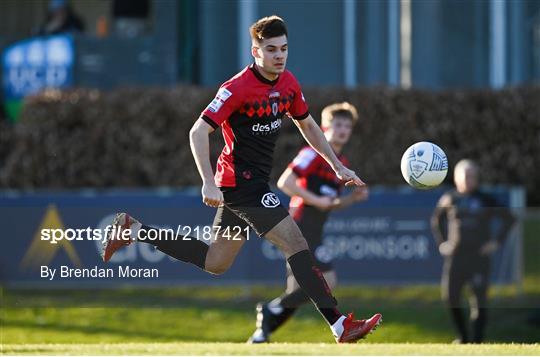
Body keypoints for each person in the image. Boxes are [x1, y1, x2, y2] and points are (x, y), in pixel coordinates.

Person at [102, 15, 381, 343]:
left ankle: (133, 229)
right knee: (296, 243)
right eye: (271, 49)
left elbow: (307, 125)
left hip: (247, 185)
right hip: (242, 185)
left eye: (284, 49)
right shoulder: (236, 88)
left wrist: (335, 165)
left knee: (215, 262)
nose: (279, 55)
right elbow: (198, 130)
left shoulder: (288, 83)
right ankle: (339, 325)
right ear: (255, 51)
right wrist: (207, 180)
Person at [247, 102, 369, 343]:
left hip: (315, 229)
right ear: (324, 127)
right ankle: (270, 311)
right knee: (327, 280)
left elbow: (328, 203)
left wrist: (351, 200)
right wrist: (317, 200)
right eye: (338, 124)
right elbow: (285, 182)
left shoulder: (339, 161)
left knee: (298, 291)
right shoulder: (312, 153)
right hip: (300, 227)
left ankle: (261, 334)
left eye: (347, 125)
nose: (343, 129)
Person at [431, 159, 515, 343]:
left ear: (477, 178)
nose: (469, 179)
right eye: (465, 176)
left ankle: (477, 341)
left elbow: (509, 218)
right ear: (457, 178)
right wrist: (443, 243)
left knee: (479, 302)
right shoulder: (450, 198)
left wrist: (496, 242)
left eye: (473, 176)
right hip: (456, 258)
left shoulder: (486, 199)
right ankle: (462, 337)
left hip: (479, 258)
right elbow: (437, 220)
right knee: (450, 297)